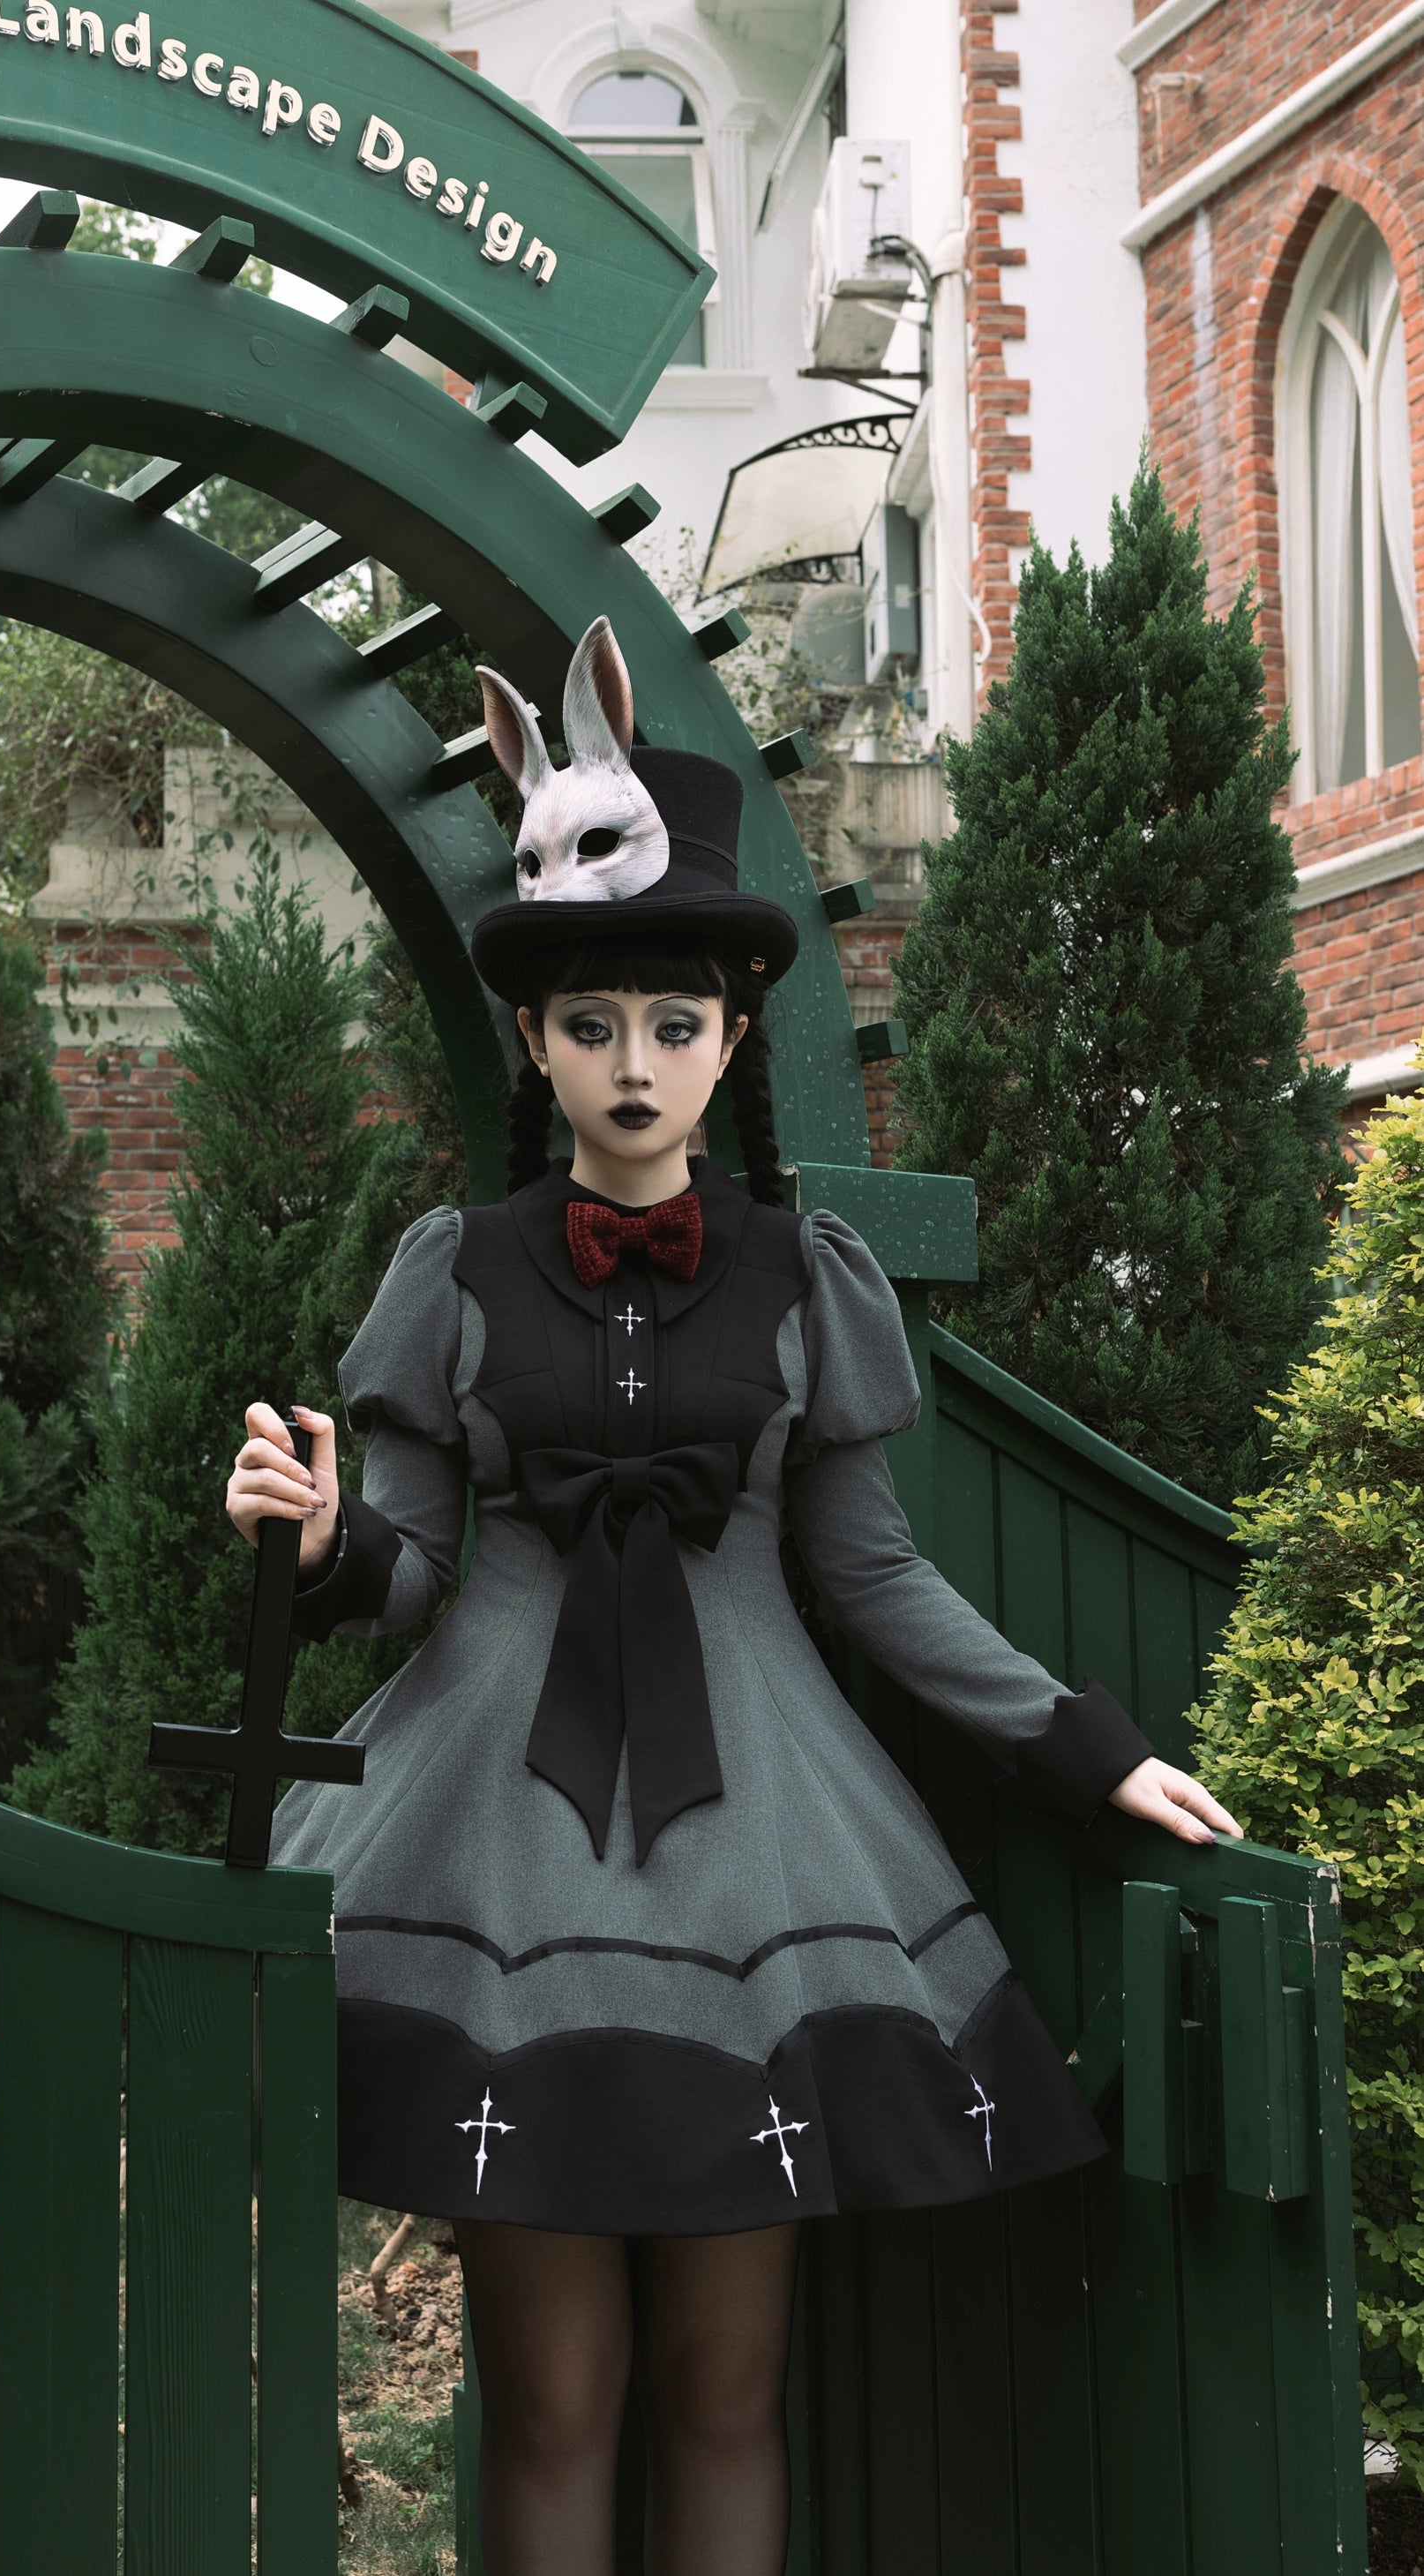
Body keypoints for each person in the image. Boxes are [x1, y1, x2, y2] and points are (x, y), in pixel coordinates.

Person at [226, 620, 1241, 2576]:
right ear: (537, 1041)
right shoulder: (454, 1269)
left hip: (765, 1846)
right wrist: (323, 1531)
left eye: (672, 1025)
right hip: (492, 1833)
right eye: (592, 1022)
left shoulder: (803, 1276)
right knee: (549, 2396)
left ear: (732, 1040)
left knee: (723, 2388)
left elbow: (870, 1573)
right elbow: (411, 1569)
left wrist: (1084, 1747)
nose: (633, 1063)